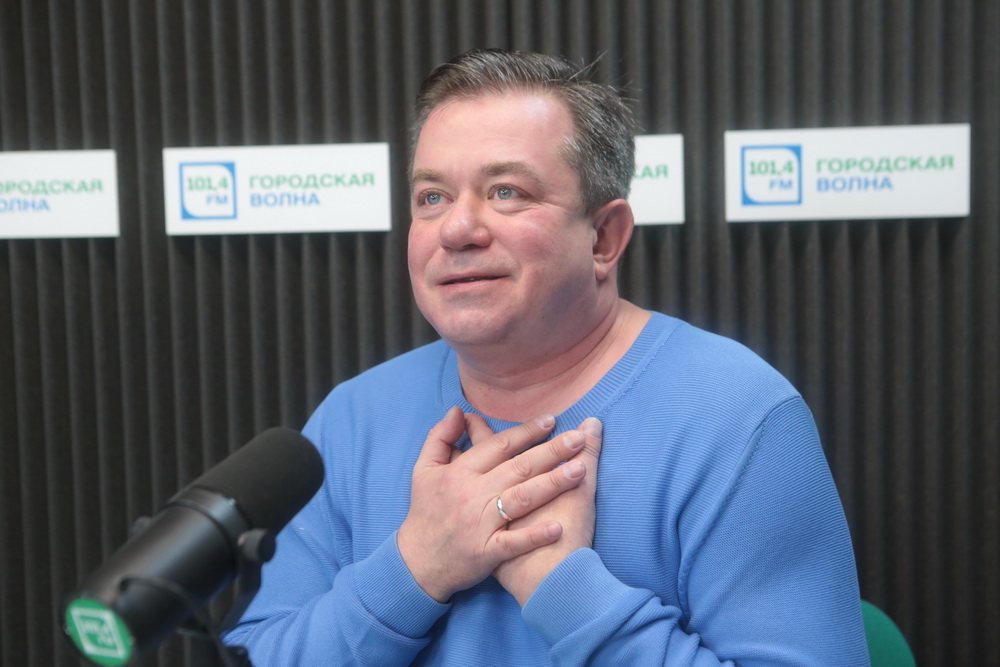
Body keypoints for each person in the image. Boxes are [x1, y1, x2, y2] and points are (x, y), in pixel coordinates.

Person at [225, 49, 869, 665]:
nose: (457, 229)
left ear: (604, 238)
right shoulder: (353, 417)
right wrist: (415, 566)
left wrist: (566, 591)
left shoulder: (736, 416)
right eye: (432, 197)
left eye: (506, 192)